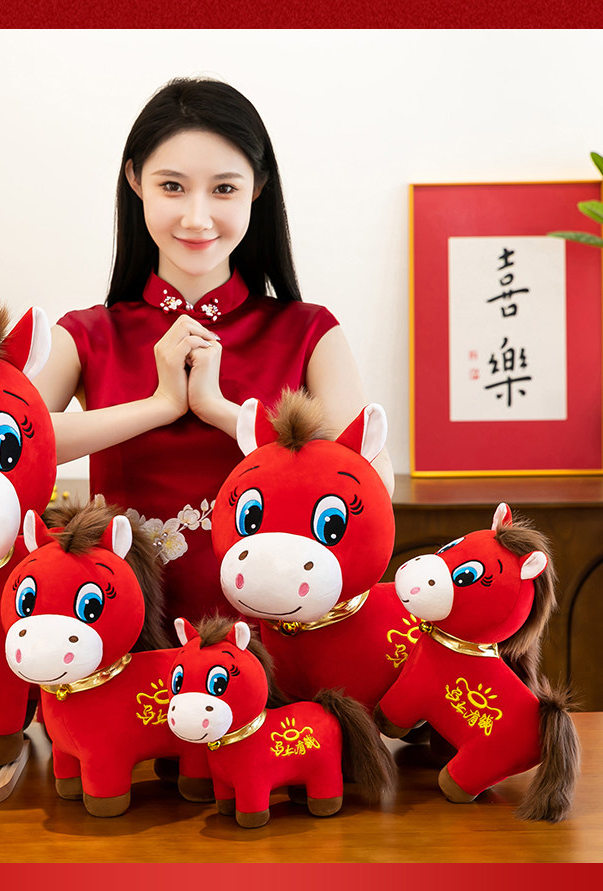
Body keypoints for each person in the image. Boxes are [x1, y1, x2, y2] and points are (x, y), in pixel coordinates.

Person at [35, 77, 394, 636]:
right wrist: (158, 405)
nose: (197, 217)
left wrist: (224, 412)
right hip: (120, 628)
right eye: (172, 187)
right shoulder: (86, 334)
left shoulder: (310, 331)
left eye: (223, 189)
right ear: (135, 181)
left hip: (277, 630)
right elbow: (13, 446)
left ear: (258, 188)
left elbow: (372, 482)